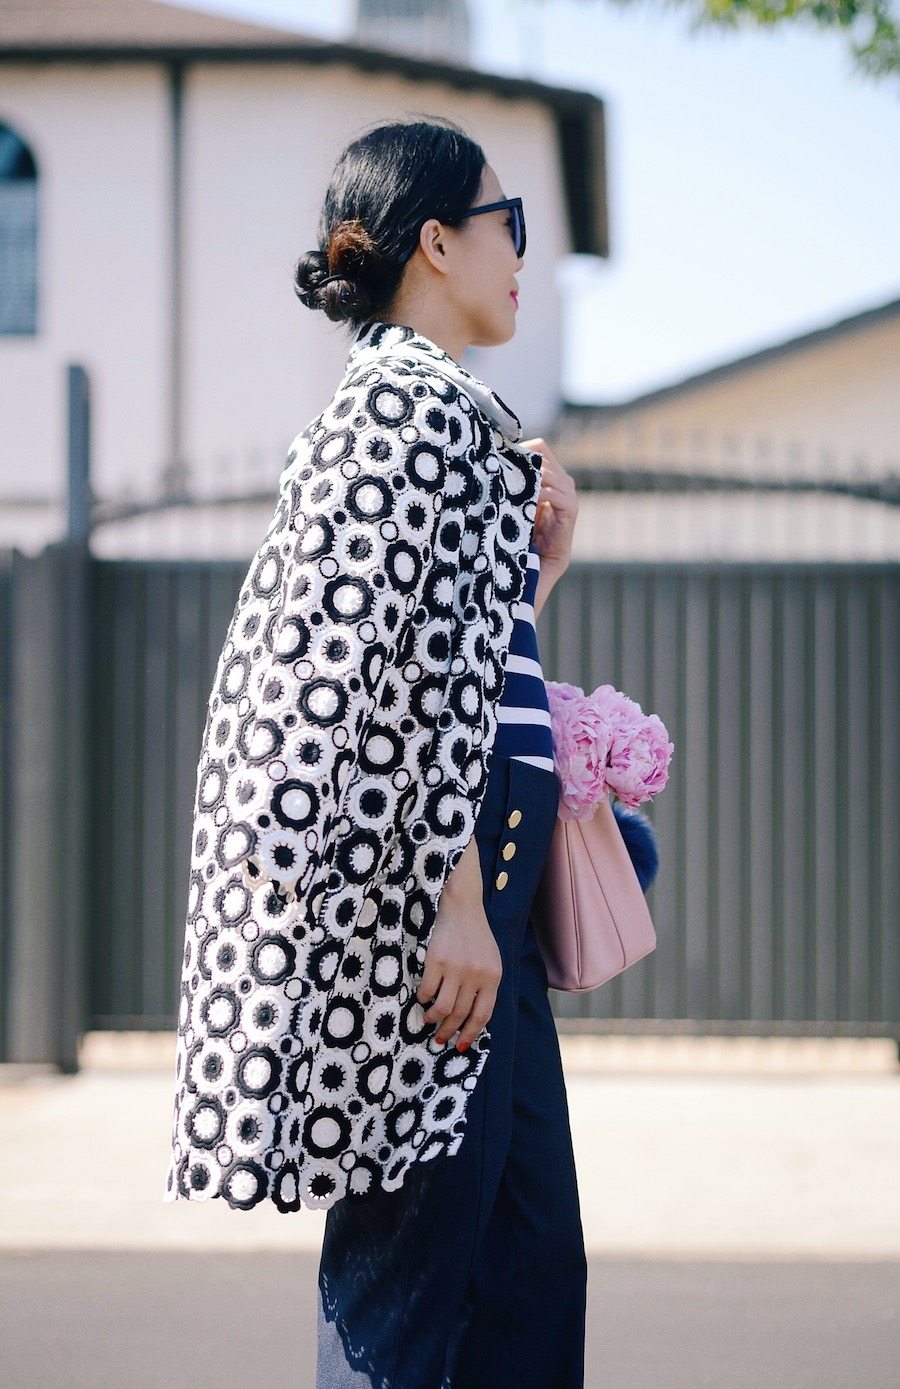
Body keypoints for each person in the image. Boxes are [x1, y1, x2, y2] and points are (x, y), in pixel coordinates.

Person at [163, 116, 586, 1387]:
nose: (524, 252)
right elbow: (344, 692)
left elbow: (445, 664)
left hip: (479, 893)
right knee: (411, 1282)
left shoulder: (442, 413)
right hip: (440, 902)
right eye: (509, 223)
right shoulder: (402, 412)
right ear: (439, 240)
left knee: (522, 1268)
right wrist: (447, 899)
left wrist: (536, 573)